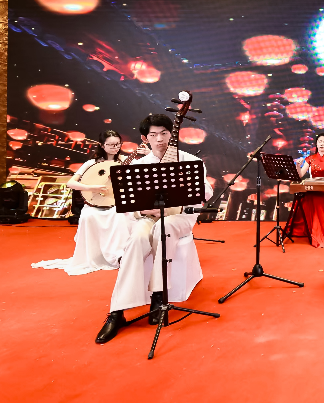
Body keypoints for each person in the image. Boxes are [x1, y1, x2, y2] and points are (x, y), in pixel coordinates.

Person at [95, 114, 213, 344]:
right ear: (145, 138)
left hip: (177, 217)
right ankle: (117, 311)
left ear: (172, 135)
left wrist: (185, 182)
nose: (159, 139)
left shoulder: (190, 160)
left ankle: (159, 297)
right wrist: (142, 210)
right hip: (148, 216)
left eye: (164, 133)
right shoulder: (139, 165)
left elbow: (205, 193)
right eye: (153, 134)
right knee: (136, 240)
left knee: (163, 230)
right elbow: (129, 205)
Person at [32, 130, 137, 275]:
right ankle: (95, 255)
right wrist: (91, 188)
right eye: (111, 145)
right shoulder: (91, 163)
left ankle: (119, 255)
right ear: (102, 145)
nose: (115, 147)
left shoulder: (125, 160)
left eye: (118, 144)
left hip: (116, 202)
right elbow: (71, 183)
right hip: (95, 202)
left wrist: (147, 153)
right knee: (88, 216)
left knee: (120, 215)